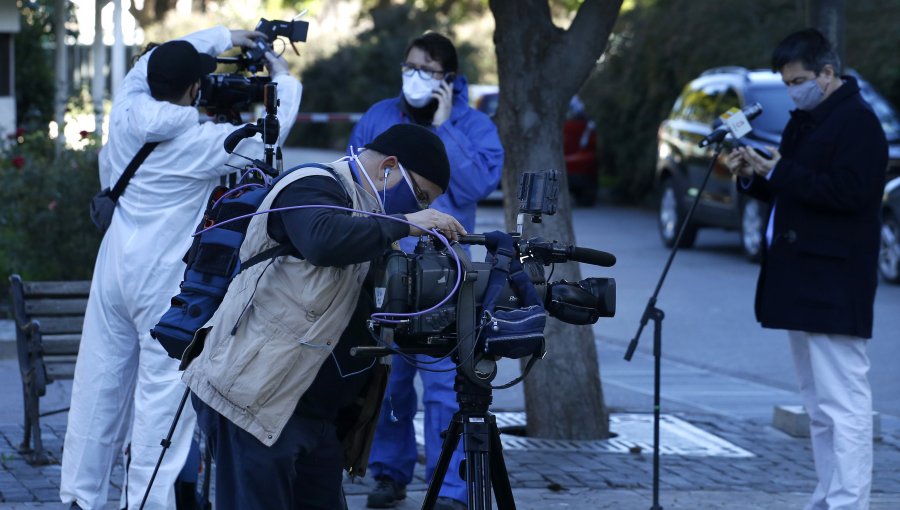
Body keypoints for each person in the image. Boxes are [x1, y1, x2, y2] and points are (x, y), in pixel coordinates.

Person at [60, 26, 302, 510]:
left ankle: (79, 498)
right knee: (158, 399)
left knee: (98, 384)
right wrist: (279, 72)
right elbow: (278, 124)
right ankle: (147, 503)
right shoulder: (204, 142)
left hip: (113, 266)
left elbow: (150, 60)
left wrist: (225, 35)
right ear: (195, 89)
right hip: (162, 277)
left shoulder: (125, 111)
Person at [181, 123, 464, 509]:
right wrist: (408, 222)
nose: (418, 209)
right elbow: (323, 239)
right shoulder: (312, 184)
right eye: (419, 196)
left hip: (315, 415)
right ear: (389, 167)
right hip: (253, 400)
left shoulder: (380, 222)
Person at [727, 28, 887, 510]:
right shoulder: (806, 119)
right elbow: (790, 186)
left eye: (798, 79)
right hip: (801, 278)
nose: (792, 89)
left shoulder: (858, 123)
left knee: (844, 402)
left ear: (827, 73)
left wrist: (777, 171)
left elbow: (849, 194)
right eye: (786, 81)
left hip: (835, 280)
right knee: (818, 404)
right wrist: (752, 174)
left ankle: (849, 500)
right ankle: (828, 493)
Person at [348, 32, 503, 510]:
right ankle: (389, 473)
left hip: (448, 270)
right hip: (388, 261)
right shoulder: (379, 116)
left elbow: (479, 182)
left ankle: (450, 490)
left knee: (444, 383)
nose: (415, 76)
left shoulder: (474, 126)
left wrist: (442, 126)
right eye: (410, 66)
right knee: (390, 375)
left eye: (428, 70)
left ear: (449, 80)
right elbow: (355, 178)